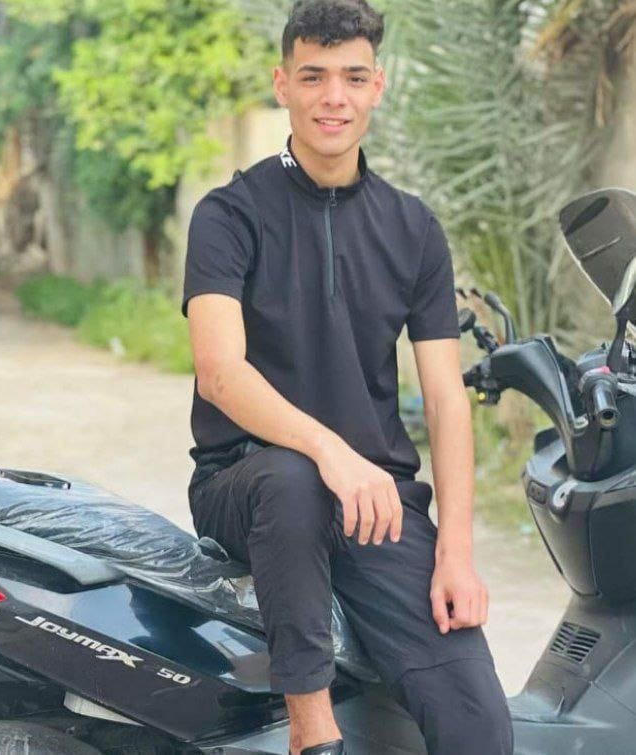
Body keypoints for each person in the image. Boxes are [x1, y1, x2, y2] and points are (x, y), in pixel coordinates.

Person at [180, 1, 514, 753]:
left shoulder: (413, 227)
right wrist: (331, 451)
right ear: (283, 85)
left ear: (377, 87)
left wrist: (455, 553)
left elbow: (446, 400)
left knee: (478, 723)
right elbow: (219, 372)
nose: (334, 97)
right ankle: (312, 732)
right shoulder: (228, 214)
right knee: (295, 477)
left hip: (376, 504)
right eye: (314, 76)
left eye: (353, 78)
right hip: (246, 484)